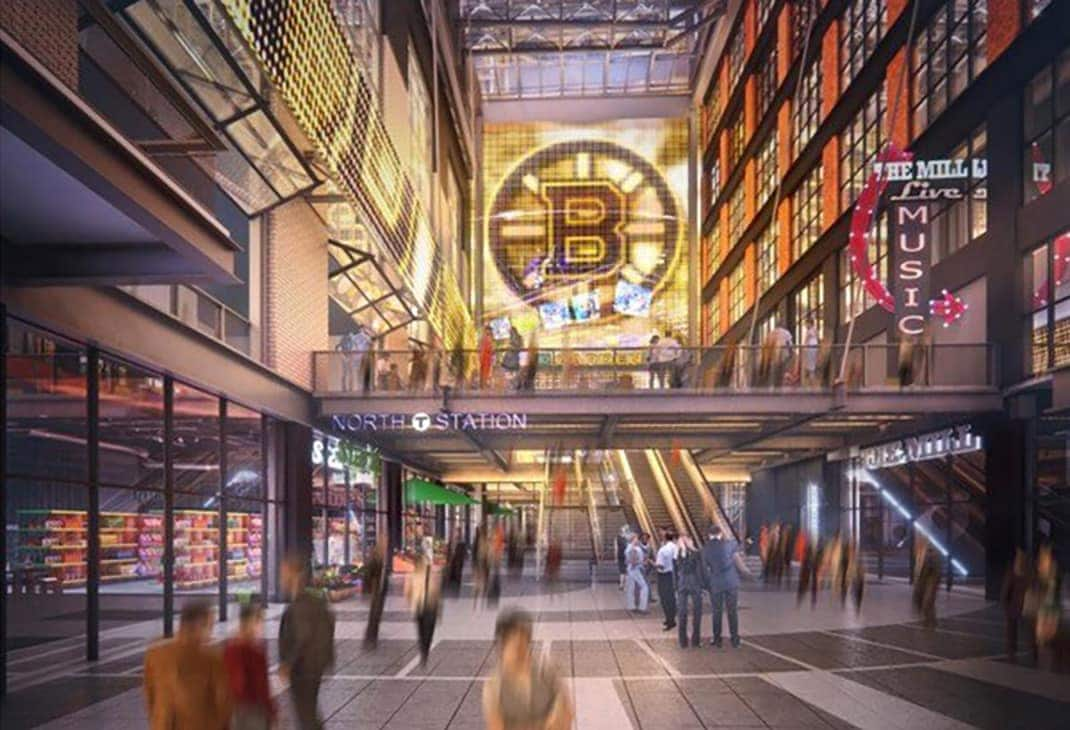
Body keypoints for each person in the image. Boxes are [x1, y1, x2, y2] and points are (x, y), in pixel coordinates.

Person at [144, 600, 229, 730]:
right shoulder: (211, 659)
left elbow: (150, 696)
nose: (211, 632)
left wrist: (157, 721)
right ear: (201, 625)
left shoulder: (155, 654)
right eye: (210, 625)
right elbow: (223, 702)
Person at [483, 609, 573, 730]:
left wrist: (558, 718)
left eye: (524, 642)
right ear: (502, 645)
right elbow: (495, 726)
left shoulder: (548, 670)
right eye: (515, 644)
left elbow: (566, 712)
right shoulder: (493, 685)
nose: (521, 649)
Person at [278, 554, 335, 730]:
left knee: (306, 716)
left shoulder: (300, 603)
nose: (281, 578)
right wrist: (327, 657)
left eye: (284, 573)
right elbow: (329, 624)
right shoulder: (316, 600)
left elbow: (302, 635)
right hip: (315, 665)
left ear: (294, 575)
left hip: (303, 667)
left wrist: (288, 663)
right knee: (309, 713)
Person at [224, 601, 275, 730]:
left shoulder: (229, 649)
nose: (261, 627)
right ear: (249, 622)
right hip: (252, 710)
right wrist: (271, 712)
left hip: (233, 708)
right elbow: (262, 687)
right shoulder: (255, 653)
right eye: (259, 622)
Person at [702, 523, 750, 648]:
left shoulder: (705, 549)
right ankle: (735, 640)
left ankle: (717, 639)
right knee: (732, 611)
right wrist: (746, 573)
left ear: (709, 535)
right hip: (731, 582)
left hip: (716, 583)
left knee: (716, 612)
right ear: (720, 534)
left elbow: (705, 569)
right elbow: (737, 561)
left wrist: (706, 585)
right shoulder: (730, 545)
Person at [405, 554, 441, 666]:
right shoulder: (430, 575)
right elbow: (436, 592)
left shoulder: (427, 575)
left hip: (421, 606)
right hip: (427, 606)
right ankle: (424, 651)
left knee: (422, 631)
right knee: (427, 632)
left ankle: (423, 651)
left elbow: (407, 593)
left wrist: (411, 603)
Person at [674, 534, 706, 648]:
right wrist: (682, 552)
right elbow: (678, 570)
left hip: (695, 584)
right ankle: (683, 641)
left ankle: (695, 640)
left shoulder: (697, 553)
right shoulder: (678, 554)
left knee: (697, 613)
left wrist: (704, 586)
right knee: (682, 613)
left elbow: (700, 570)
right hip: (683, 585)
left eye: (685, 540)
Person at [1001, 548, 1031, 660]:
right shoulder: (1018, 574)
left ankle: (1014, 651)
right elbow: (1005, 591)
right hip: (1016, 607)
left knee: (1017, 631)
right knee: (1013, 631)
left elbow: (1005, 591)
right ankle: (1012, 651)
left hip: (1021, 607)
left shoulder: (1025, 574)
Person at [364, 534, 389, 648]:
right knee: (374, 614)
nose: (386, 545)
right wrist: (369, 588)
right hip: (376, 591)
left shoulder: (384, 557)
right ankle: (370, 638)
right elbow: (368, 573)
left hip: (381, 590)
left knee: (377, 615)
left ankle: (373, 637)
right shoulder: (375, 557)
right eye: (384, 543)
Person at [655, 529, 679, 631]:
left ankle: (669, 621)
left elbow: (660, 566)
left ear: (665, 538)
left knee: (665, 599)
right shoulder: (676, 547)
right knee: (671, 598)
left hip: (663, 576)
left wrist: (652, 563)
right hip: (672, 575)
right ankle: (672, 617)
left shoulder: (663, 550)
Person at [625, 533, 649, 613]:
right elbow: (633, 561)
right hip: (635, 569)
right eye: (636, 538)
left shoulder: (628, 548)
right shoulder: (633, 548)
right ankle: (642, 607)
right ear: (633, 539)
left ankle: (631, 606)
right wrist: (642, 562)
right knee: (644, 587)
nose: (638, 540)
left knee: (630, 587)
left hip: (630, 569)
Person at [802, 317, 819, 386]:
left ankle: (811, 380)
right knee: (811, 364)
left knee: (810, 364)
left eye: (806, 324)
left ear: (810, 324)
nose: (805, 325)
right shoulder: (815, 330)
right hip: (813, 347)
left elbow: (806, 340)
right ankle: (811, 378)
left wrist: (804, 347)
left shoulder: (810, 331)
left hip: (811, 348)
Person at [479, 325, 495, 389]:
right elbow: (484, 348)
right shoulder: (484, 338)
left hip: (488, 357)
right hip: (485, 357)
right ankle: (484, 385)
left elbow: (490, 348)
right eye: (488, 330)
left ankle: (485, 385)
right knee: (484, 372)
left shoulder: (489, 338)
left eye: (490, 330)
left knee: (487, 372)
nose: (490, 332)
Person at [616, 525, 631, 591]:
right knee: (626, 571)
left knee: (622, 571)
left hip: (621, 555)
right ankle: (625, 586)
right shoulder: (628, 537)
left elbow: (616, 548)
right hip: (626, 555)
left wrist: (615, 557)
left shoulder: (617, 538)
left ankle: (621, 585)